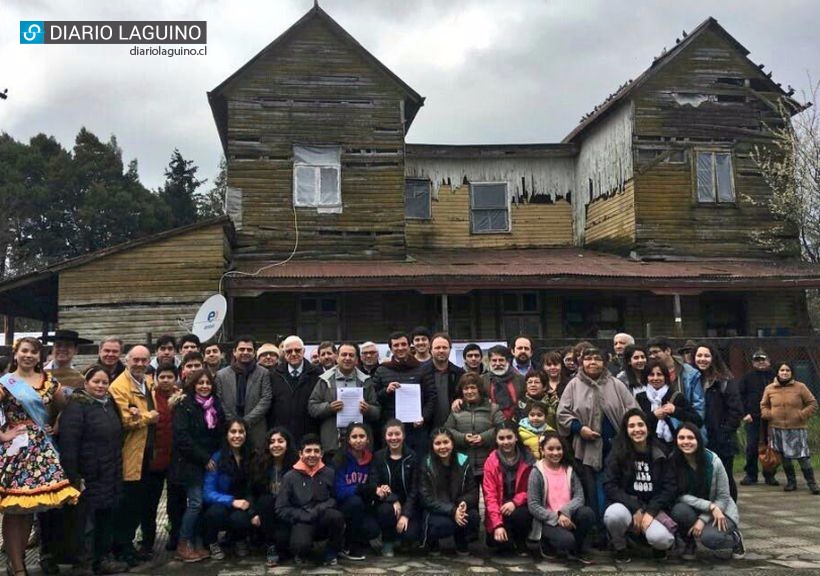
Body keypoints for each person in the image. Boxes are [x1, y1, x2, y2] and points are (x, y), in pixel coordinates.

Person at [0, 337, 80, 576]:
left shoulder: (48, 382)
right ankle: (17, 566)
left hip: (42, 451)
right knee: (15, 509)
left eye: (34, 352)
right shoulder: (5, 383)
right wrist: (3, 435)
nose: (28, 355)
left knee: (29, 510)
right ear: (16, 354)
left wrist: (55, 423)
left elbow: (67, 407)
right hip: (16, 451)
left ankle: (19, 561)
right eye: (24, 351)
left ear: (40, 356)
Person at [57, 366, 128, 575]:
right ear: (86, 383)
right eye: (96, 381)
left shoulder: (109, 403)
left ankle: (102, 559)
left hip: (110, 471)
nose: (100, 385)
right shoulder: (76, 407)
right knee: (85, 521)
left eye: (104, 382)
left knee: (106, 517)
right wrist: (74, 476)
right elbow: (69, 444)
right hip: (87, 474)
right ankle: (84, 563)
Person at [557, 347, 638, 529]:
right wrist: (579, 428)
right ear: (581, 362)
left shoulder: (616, 384)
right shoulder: (573, 385)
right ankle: (596, 530)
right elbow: (562, 414)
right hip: (587, 448)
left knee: (613, 488)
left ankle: (616, 528)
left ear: (605, 362)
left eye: (597, 359)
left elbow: (633, 412)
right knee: (592, 492)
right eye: (588, 359)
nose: (592, 362)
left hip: (615, 448)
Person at [603, 408, 677, 563]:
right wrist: (635, 507)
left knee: (662, 539)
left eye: (640, 425)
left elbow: (669, 487)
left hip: (654, 507)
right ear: (626, 430)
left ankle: (656, 547)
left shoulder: (661, 451)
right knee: (613, 515)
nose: (637, 429)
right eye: (631, 426)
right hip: (627, 506)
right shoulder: (617, 452)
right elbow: (610, 485)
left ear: (647, 428)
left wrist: (650, 511)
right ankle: (620, 546)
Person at [108, 344, 158, 566]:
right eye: (135, 360)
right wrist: (149, 416)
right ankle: (122, 549)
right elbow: (125, 420)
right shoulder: (119, 386)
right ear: (126, 360)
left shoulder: (148, 382)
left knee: (138, 502)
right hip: (129, 454)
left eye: (143, 360)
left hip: (146, 453)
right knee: (126, 504)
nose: (139, 364)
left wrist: (141, 414)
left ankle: (128, 545)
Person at [170, 369, 225, 562]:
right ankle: (183, 543)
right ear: (193, 385)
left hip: (210, 461)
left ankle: (199, 542)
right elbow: (182, 437)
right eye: (200, 383)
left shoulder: (215, 404)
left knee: (203, 504)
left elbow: (220, 433)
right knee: (195, 503)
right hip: (189, 462)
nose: (204, 386)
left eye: (207, 383)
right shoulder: (184, 405)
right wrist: (204, 458)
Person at [670, 423, 745, 561]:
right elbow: (678, 495)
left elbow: (723, 497)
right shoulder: (673, 461)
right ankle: (689, 542)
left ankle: (735, 539)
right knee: (678, 510)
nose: (686, 441)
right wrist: (709, 506)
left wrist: (703, 519)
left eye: (690, 438)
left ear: (698, 440)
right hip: (699, 509)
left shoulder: (714, 462)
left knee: (710, 539)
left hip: (722, 510)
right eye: (681, 438)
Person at [275, 434, 345, 566]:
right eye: (308, 451)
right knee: (300, 547)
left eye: (316, 451)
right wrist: (302, 515)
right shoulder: (290, 477)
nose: (312, 455)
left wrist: (319, 509)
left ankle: (331, 551)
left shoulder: (329, 473)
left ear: (322, 454)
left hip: (322, 516)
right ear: (301, 454)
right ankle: (303, 550)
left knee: (336, 517)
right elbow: (281, 508)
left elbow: (335, 498)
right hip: (301, 519)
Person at [527, 431, 596, 562]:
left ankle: (577, 547)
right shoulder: (536, 473)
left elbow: (579, 497)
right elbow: (533, 505)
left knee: (587, 513)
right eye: (550, 449)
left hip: (569, 516)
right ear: (542, 450)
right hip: (548, 520)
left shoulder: (569, 469)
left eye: (559, 448)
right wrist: (557, 517)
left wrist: (565, 512)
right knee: (566, 541)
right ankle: (549, 543)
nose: (555, 453)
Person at [692, 342, 743, 501]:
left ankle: (730, 511)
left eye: (706, 355)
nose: (702, 359)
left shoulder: (724, 380)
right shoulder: (691, 380)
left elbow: (736, 410)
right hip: (699, 436)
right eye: (699, 355)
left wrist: (724, 431)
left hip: (722, 438)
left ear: (713, 358)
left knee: (724, 477)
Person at [308, 342, 380, 453]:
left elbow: (377, 412)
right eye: (344, 354)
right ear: (337, 357)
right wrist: (329, 407)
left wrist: (368, 409)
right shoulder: (325, 380)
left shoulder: (365, 381)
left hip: (360, 446)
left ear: (357, 359)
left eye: (351, 355)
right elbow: (312, 407)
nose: (347, 358)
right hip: (333, 443)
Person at [760, 361, 819, 494]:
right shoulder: (770, 388)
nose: (785, 373)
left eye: (787, 370)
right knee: (785, 457)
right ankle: (791, 482)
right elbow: (764, 405)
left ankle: (812, 484)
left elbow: (812, 403)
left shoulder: (800, 387)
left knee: (803, 457)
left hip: (797, 428)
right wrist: (768, 414)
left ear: (792, 373)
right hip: (777, 428)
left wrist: (802, 414)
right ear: (778, 372)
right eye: (782, 370)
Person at [419, 428, 480, 555]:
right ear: (432, 445)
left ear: (452, 443)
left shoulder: (463, 461)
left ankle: (461, 541)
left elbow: (473, 491)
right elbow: (426, 498)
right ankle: (433, 542)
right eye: (438, 443)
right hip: (438, 510)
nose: (442, 447)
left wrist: (463, 503)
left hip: (458, 505)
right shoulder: (426, 464)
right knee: (442, 524)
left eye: (446, 442)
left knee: (473, 517)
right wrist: (452, 511)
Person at [372, 332, 434, 454]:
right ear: (390, 348)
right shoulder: (382, 370)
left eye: (403, 344)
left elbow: (431, 397)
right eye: (396, 345)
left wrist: (424, 417)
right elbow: (373, 399)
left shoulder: (422, 369)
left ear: (409, 346)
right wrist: (386, 391)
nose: (400, 348)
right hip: (390, 430)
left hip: (416, 429)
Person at [202, 419, 255, 560]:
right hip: (221, 504)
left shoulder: (251, 456)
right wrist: (231, 501)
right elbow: (207, 493)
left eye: (241, 432)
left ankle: (238, 539)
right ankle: (212, 542)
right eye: (233, 431)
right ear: (226, 435)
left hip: (242, 504)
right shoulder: (217, 457)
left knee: (241, 519)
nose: (237, 436)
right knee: (216, 513)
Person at [368, 419, 421, 557]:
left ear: (403, 435)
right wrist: (393, 499)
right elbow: (374, 483)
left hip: (409, 503)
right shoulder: (378, 457)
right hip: (386, 503)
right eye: (390, 434)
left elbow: (415, 489)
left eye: (397, 434)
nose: (393, 438)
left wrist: (405, 514)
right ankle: (388, 541)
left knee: (410, 533)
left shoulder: (412, 457)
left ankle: (405, 540)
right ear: (385, 437)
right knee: (386, 511)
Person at [250, 427, 299, 567]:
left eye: (280, 441)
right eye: (272, 442)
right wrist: (253, 513)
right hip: (267, 513)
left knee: (285, 541)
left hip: (288, 512)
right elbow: (252, 492)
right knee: (266, 500)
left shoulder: (297, 465)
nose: (276, 445)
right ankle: (271, 546)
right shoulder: (260, 464)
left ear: (287, 444)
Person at [445, 373, 504, 487]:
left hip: (489, 463)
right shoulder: (457, 410)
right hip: (464, 464)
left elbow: (502, 428)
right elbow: (447, 431)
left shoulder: (493, 408)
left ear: (479, 389)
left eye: (473, 387)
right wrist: (463, 438)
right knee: (469, 501)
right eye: (466, 388)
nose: (469, 391)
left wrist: (484, 437)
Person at [483, 422, 534, 554]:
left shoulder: (528, 458)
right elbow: (490, 495)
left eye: (509, 437)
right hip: (500, 507)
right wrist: (497, 525)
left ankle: (521, 540)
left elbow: (532, 489)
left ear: (516, 437)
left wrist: (515, 502)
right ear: (496, 440)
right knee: (500, 545)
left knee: (523, 515)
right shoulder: (491, 461)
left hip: (520, 506)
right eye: (501, 438)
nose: (506, 442)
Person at [216, 336, 272, 453]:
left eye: (249, 349)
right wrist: (234, 423)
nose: (245, 352)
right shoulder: (221, 375)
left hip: (256, 428)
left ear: (254, 352)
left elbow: (266, 399)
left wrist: (246, 421)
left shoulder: (263, 373)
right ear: (234, 352)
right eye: (241, 349)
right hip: (229, 429)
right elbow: (218, 399)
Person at [333, 423, 380, 560]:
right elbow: (339, 491)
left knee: (372, 529)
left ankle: (360, 540)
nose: (358, 440)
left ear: (368, 439)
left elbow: (374, 485)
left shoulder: (372, 459)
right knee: (355, 502)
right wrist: (360, 488)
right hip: (343, 506)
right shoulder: (339, 459)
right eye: (354, 437)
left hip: (364, 506)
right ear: (348, 440)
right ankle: (348, 545)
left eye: (361, 436)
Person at [635, 359, 703, 449]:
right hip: (648, 446)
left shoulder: (676, 396)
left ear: (665, 377)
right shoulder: (640, 397)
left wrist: (675, 411)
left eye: (659, 374)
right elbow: (636, 423)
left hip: (675, 447)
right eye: (651, 375)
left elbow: (698, 421)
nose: (655, 378)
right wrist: (654, 415)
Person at [269, 335, 321, 442]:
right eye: (289, 351)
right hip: (282, 434)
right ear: (284, 353)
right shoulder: (274, 375)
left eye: (297, 350)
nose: (293, 354)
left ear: (303, 351)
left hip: (310, 433)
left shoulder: (317, 374)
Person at [738, 350, 778, 486]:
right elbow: (739, 397)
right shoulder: (747, 377)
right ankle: (751, 474)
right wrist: (744, 413)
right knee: (751, 447)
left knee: (771, 447)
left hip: (772, 418)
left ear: (769, 360)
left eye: (763, 359)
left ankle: (770, 475)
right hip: (753, 418)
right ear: (753, 362)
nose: (761, 362)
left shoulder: (775, 376)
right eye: (757, 360)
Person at [647, 336, 704, 421]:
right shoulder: (649, 373)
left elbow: (698, 405)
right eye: (650, 353)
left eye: (656, 352)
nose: (652, 356)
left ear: (668, 351)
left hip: (685, 425)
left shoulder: (690, 373)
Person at [423, 333, 465, 429]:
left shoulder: (460, 373)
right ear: (431, 350)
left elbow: (466, 395)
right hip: (427, 427)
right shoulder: (421, 372)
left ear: (450, 349)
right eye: (437, 348)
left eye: (444, 347)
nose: (441, 350)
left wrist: (460, 399)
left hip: (453, 427)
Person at [477, 345, 523, 422]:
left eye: (501, 360)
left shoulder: (520, 379)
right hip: (490, 422)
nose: (498, 364)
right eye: (494, 360)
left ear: (507, 361)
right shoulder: (481, 380)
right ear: (489, 361)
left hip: (517, 423)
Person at [540, 351, 569, 427]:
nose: (552, 367)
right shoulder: (539, 384)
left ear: (561, 366)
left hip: (565, 424)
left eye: (555, 364)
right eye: (549, 365)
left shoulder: (570, 384)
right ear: (543, 366)